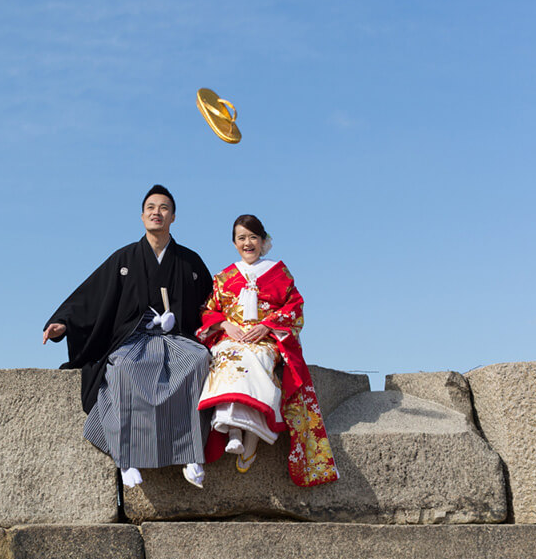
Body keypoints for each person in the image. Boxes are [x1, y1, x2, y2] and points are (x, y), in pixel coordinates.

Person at [43, 185, 214, 488]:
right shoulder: (125, 258)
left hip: (176, 338)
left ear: (173, 217)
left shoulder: (190, 263)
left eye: (163, 208)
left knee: (200, 360)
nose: (156, 212)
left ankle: (190, 454)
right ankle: (127, 458)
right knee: (121, 368)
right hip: (135, 339)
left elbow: (212, 304)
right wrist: (63, 322)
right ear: (142, 216)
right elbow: (92, 295)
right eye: (150, 207)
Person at [196, 214, 338, 486]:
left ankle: (248, 438)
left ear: (263, 241)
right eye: (241, 238)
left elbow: (294, 307)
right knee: (224, 358)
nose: (247, 243)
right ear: (234, 242)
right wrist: (226, 324)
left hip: (266, 340)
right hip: (232, 338)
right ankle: (236, 431)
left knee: (254, 358)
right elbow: (208, 310)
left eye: (253, 237)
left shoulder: (279, 272)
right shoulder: (224, 277)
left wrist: (268, 327)